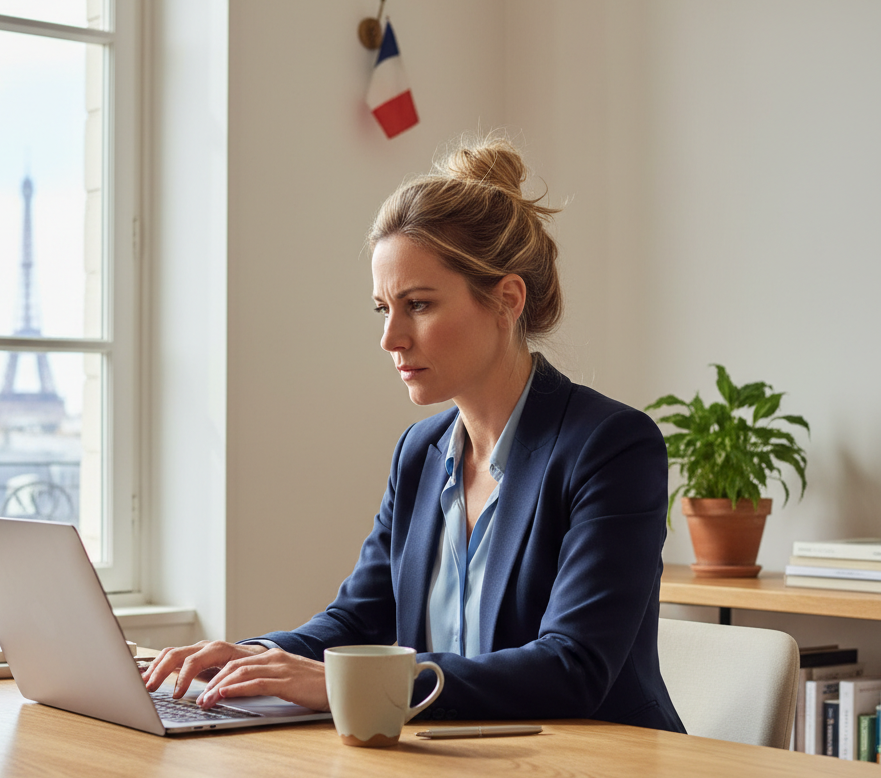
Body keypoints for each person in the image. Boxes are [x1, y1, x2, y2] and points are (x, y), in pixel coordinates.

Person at [144, 135, 685, 733]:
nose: (391, 337)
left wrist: (345, 682)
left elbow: (573, 667)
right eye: (383, 309)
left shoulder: (610, 446)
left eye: (418, 305)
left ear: (507, 300)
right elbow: (357, 622)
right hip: (455, 774)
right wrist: (248, 658)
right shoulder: (421, 453)